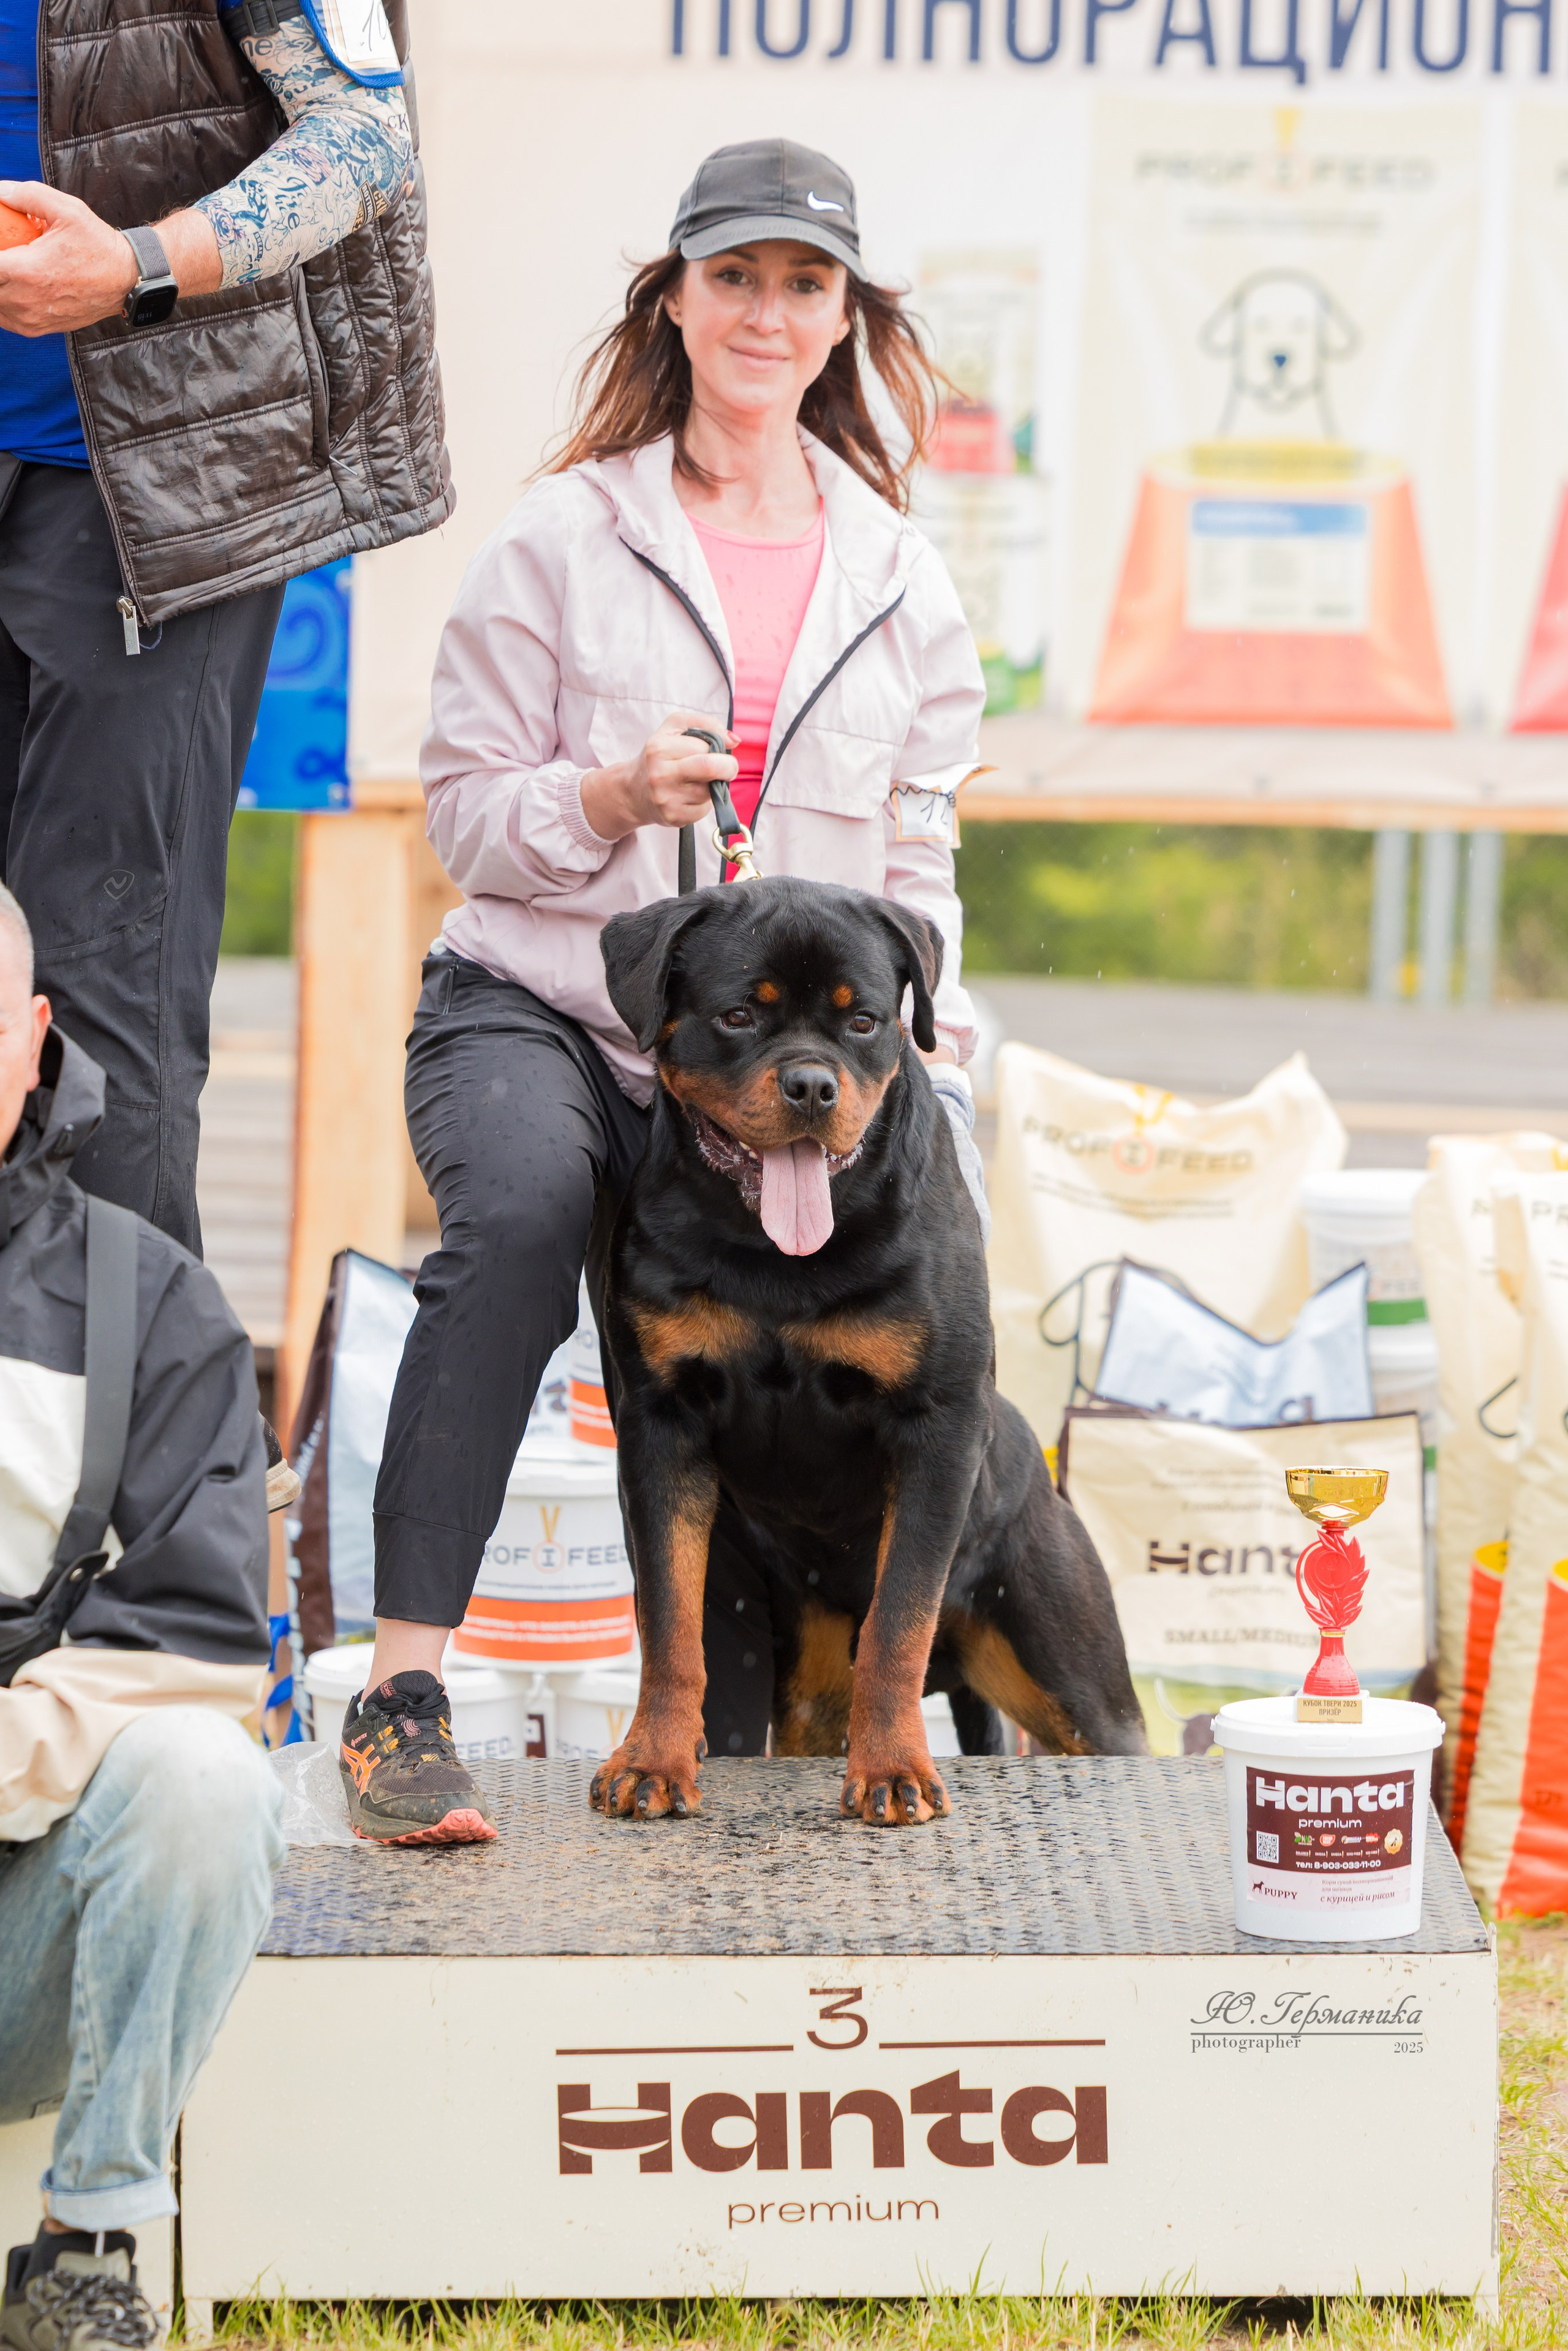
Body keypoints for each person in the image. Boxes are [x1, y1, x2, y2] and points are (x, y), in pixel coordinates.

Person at [342, 136, 991, 1847]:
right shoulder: (564, 536)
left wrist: (940, 1063)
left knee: (948, 1271)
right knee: (529, 1207)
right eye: (736, 277)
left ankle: (889, 1689)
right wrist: (611, 800)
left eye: (807, 284)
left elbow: (918, 871)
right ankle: (403, 1695)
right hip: (551, 1000)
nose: (769, 313)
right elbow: (471, 817)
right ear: (678, 297)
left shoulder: (902, 577)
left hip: (794, 1050)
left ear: (846, 316)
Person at [0, 0, 451, 1264]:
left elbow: (367, 136)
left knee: (99, 993)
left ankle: (128, 1437)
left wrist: (138, 262)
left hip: (147, 491)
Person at [0, 886, 281, 2351]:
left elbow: (208, 1639)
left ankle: (82, 2244)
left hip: (18, 1927)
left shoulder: (148, 1296)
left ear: (33, 1036)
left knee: (204, 1778)